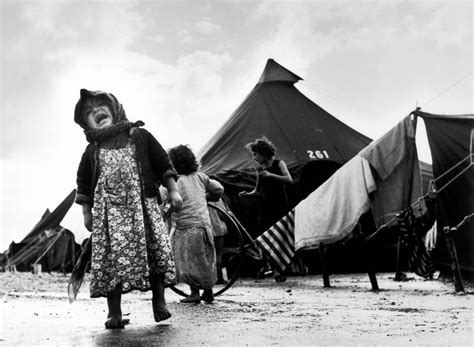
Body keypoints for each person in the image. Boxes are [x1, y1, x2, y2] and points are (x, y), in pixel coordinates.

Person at [74, 89, 182, 329]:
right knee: (111, 262)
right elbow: (83, 182)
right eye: (89, 112)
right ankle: (114, 312)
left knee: (154, 253)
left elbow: (162, 163)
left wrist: (173, 190)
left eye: (101, 106)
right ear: (84, 122)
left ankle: (160, 302)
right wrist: (86, 211)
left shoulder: (139, 136)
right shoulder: (93, 150)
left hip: (141, 208)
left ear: (115, 108)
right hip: (108, 216)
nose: (96, 112)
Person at [168, 144, 223, 303]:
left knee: (188, 262)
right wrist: (208, 197)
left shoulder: (174, 182)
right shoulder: (201, 177)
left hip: (186, 228)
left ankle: (194, 293)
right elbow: (219, 188)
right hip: (205, 226)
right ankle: (208, 291)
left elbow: (165, 201)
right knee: (204, 259)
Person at [238, 136, 293, 281]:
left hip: (280, 206)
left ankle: (280, 270)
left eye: (255, 155)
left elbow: (289, 179)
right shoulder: (260, 170)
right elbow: (257, 191)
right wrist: (247, 194)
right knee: (268, 237)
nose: (254, 158)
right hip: (267, 207)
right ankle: (274, 270)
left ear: (263, 153)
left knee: (280, 237)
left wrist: (271, 175)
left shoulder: (279, 164)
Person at [208, 198, 230, 285]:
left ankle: (211, 278)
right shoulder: (216, 199)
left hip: (206, 229)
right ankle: (219, 277)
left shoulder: (199, 197)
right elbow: (222, 214)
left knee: (208, 255)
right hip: (217, 228)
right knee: (218, 254)